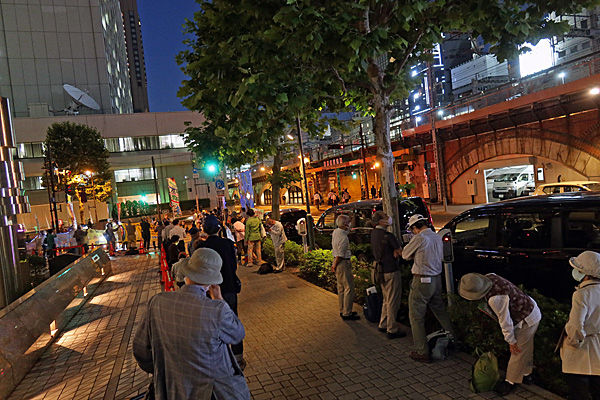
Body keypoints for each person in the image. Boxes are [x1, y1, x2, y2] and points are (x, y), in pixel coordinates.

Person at [133, 248, 250, 400]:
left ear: (187, 273)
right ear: (212, 281)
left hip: (170, 390)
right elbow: (237, 334)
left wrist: (165, 371)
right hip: (211, 393)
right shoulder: (216, 310)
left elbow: (141, 350)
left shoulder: (157, 302)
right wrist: (219, 298)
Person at [459, 273, 541, 395]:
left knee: (517, 351)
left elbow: (505, 321)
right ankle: (526, 374)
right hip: (529, 309)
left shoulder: (496, 299)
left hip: (527, 319)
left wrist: (511, 341)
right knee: (526, 348)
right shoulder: (490, 276)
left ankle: (510, 382)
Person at [402, 214, 455, 363]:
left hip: (422, 280)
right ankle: (454, 340)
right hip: (436, 279)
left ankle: (422, 351)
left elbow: (405, 254)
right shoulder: (436, 237)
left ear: (415, 228)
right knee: (440, 311)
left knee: (416, 317)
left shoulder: (419, 238)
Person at [196, 215, 245, 367]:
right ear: (219, 229)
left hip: (209, 290)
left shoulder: (200, 247)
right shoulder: (228, 244)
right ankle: (238, 357)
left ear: (204, 230)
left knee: (212, 324)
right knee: (232, 320)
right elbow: (234, 265)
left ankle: (219, 359)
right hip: (228, 287)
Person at [561, 251, 600, 400]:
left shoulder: (582, 294)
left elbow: (576, 326)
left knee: (579, 390)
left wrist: (572, 341)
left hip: (581, 349)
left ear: (585, 273)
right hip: (598, 347)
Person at [370, 211, 405, 339]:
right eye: (386, 217)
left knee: (386, 298)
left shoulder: (373, 233)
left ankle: (383, 323)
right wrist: (397, 251)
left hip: (379, 270)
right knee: (393, 300)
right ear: (381, 221)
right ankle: (392, 329)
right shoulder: (388, 236)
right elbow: (400, 251)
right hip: (391, 270)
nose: (389, 218)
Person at [332, 214, 360, 321]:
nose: (350, 224)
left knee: (341, 288)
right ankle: (347, 312)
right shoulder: (343, 238)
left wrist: (334, 264)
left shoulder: (336, 232)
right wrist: (335, 265)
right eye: (348, 222)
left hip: (337, 261)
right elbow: (340, 254)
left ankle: (342, 309)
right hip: (343, 262)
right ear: (345, 224)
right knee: (349, 287)